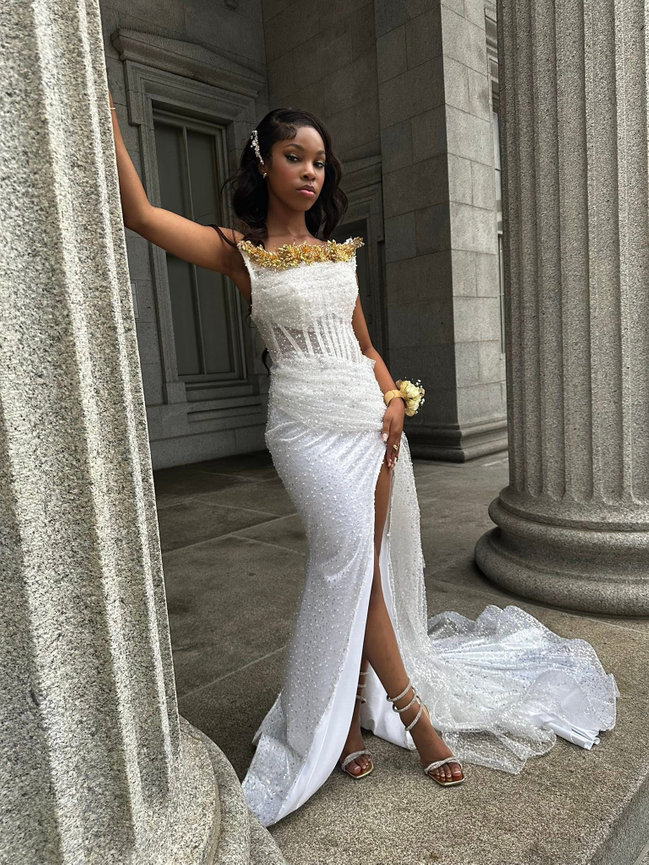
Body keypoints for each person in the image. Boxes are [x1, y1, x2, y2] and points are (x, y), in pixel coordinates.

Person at [108, 92, 619, 828]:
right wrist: (112, 123)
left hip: (371, 425)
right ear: (264, 162)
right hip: (304, 429)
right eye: (295, 157)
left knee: (369, 565)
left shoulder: (338, 253)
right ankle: (412, 718)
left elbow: (369, 351)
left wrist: (392, 399)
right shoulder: (238, 251)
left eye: (319, 161)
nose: (310, 172)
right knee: (344, 557)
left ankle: (347, 714)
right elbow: (143, 216)